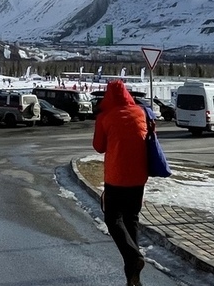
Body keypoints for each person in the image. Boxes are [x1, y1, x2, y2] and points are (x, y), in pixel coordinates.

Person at [92, 80, 152, 286]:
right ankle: (133, 277)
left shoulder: (105, 116)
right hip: (139, 177)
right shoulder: (141, 112)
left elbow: (99, 147)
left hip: (116, 177)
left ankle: (134, 257)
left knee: (113, 219)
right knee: (131, 219)